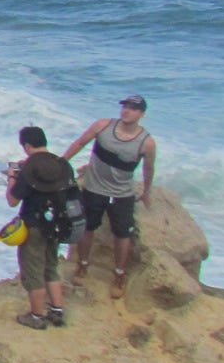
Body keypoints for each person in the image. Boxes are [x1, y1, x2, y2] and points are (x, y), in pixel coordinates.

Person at [61, 95, 158, 299]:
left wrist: (147, 191)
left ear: (141, 114)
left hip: (122, 194)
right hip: (94, 188)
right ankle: (83, 265)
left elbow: (149, 168)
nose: (126, 111)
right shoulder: (103, 125)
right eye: (125, 106)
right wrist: (61, 162)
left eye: (132, 108)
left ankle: (119, 275)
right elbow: (80, 143)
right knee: (87, 228)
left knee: (122, 235)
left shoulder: (146, 143)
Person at [4, 127, 72, 330]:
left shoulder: (29, 168)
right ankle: (57, 310)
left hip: (33, 225)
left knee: (33, 271)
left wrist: (12, 178)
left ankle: (36, 316)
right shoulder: (62, 164)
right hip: (57, 223)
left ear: (26, 146)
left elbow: (12, 200)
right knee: (51, 266)